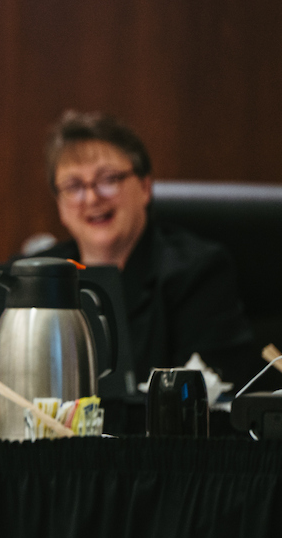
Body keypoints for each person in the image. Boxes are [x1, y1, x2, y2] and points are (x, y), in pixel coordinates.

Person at [36, 110, 254, 383]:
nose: (91, 197)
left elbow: (207, 397)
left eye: (108, 179)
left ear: (145, 187)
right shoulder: (36, 278)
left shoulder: (198, 272)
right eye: (74, 185)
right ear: (60, 205)